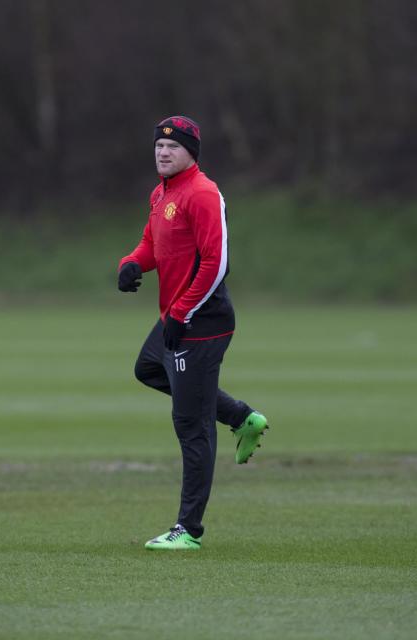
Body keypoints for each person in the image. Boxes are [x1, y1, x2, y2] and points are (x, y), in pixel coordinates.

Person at [117, 115, 269, 551]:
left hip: (200, 322)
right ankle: (241, 417)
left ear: (191, 153)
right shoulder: (162, 193)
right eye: (159, 147)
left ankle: (189, 531)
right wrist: (132, 263)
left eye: (173, 148)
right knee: (148, 368)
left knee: (191, 424)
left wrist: (183, 310)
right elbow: (152, 243)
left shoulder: (202, 193)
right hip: (175, 318)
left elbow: (216, 262)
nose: (163, 153)